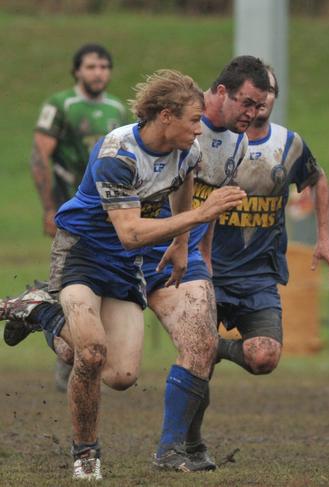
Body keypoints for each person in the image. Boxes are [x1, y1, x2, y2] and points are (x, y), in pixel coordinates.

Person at [0, 69, 246, 480]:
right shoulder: (118, 154)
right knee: (92, 351)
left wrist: (182, 244)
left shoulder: (187, 150)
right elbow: (131, 234)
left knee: (120, 375)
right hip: (83, 252)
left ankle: (37, 311)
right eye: (192, 119)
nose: (200, 127)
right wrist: (204, 214)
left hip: (123, 266)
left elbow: (182, 184)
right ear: (165, 116)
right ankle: (86, 454)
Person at [144, 55, 270, 471]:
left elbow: (211, 203)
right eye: (247, 103)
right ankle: (40, 311)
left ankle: (172, 448)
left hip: (184, 257)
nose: (253, 114)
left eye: (259, 106)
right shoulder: (175, 127)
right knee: (105, 366)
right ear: (220, 93)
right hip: (133, 249)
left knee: (201, 345)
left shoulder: (239, 143)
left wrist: (205, 254)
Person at [209, 64, 329, 379]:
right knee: (198, 365)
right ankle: (189, 429)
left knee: (264, 357)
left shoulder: (289, 144)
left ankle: (210, 345)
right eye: (256, 94)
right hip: (210, 271)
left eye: (269, 92)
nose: (262, 100)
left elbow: (318, 179)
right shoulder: (214, 141)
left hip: (258, 276)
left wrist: (323, 238)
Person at [11, 43, 129, 392]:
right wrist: (49, 207)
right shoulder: (60, 104)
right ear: (77, 71)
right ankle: (62, 347)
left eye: (104, 67)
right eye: (91, 66)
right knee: (72, 283)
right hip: (71, 210)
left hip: (106, 213)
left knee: (99, 285)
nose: (98, 73)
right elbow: (40, 157)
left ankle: (60, 337)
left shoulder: (117, 110)